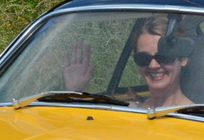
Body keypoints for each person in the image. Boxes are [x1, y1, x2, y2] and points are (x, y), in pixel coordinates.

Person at [63, 15, 195, 110]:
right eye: (143, 58)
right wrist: (75, 91)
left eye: (163, 57)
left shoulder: (197, 117)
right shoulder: (126, 110)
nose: (153, 65)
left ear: (183, 59)